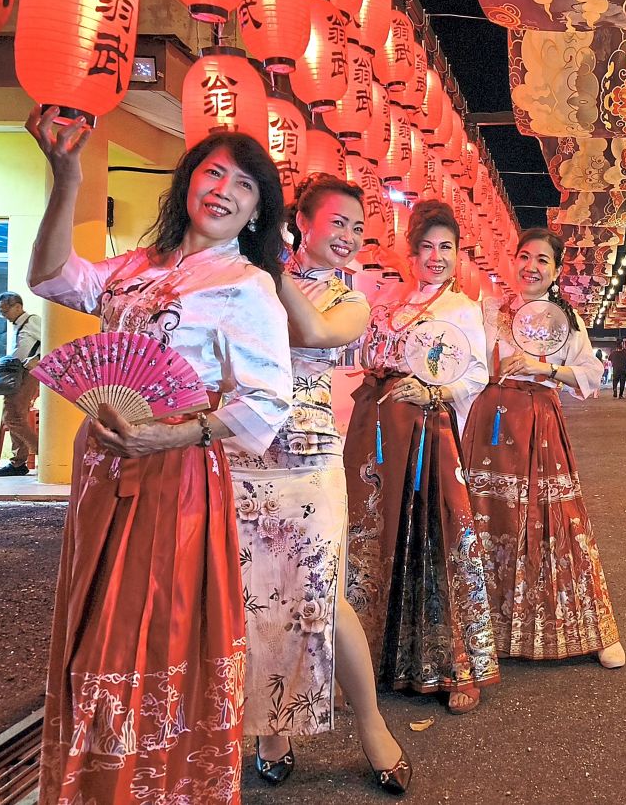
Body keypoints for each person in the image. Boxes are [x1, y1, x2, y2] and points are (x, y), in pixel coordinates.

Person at [25, 109, 294, 804]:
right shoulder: (135, 268)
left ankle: (151, 782)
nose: (224, 190)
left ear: (257, 213)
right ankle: (89, 778)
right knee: (93, 622)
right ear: (188, 180)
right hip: (103, 469)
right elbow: (52, 277)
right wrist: (66, 176)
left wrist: (173, 435)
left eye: (245, 186)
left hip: (175, 473)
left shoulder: (248, 286)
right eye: (213, 171)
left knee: (148, 624)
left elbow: (265, 403)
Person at [225, 174, 409, 793]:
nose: (350, 236)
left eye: (358, 228)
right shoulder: (240, 279)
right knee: (250, 599)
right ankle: (270, 728)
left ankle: (372, 724)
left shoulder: (348, 298)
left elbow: (313, 335)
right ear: (301, 221)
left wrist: (270, 269)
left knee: (322, 596)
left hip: (307, 460)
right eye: (338, 222)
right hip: (237, 453)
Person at [342, 199, 498, 716]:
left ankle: (455, 662)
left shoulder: (463, 308)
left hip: (429, 429)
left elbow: (475, 374)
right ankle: (368, 657)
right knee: (374, 532)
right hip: (377, 429)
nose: (435, 257)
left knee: (437, 530)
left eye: (445, 248)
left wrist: (434, 389)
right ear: (411, 255)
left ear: (458, 255)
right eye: (426, 247)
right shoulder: (387, 299)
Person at [461, 228, 625, 669]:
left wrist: (546, 367)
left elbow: (590, 374)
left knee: (554, 517)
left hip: (540, 423)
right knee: (486, 514)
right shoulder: (486, 310)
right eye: (524, 257)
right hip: (490, 423)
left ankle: (589, 627)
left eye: (543, 260)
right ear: (512, 262)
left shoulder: (567, 320)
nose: (531, 267)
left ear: (555, 270)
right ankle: (482, 627)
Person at [0, 291, 42, 476]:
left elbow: (53, 341)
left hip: (27, 374)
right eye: (0, 311)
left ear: (18, 307)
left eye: (4, 310)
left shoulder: (33, 321)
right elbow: (19, 350)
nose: (2, 314)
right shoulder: (16, 326)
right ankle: (18, 462)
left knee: (12, 418)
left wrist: (38, 358)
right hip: (15, 374)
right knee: (14, 415)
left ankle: (43, 454)